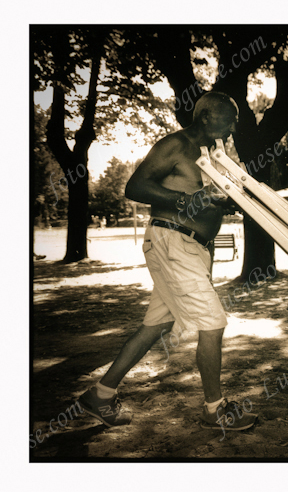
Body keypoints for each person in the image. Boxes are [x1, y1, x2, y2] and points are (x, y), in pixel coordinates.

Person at [77, 92, 257, 433]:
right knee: (213, 322)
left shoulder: (210, 155)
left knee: (156, 325)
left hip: (191, 249)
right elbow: (134, 186)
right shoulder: (175, 145)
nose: (234, 126)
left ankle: (100, 395)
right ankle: (215, 410)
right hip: (173, 241)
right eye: (229, 118)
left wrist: (221, 203)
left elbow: (203, 201)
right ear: (206, 117)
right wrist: (190, 199)